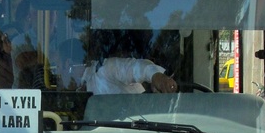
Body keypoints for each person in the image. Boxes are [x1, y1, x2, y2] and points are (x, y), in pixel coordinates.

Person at [49, 36, 178, 94]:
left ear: (68, 64)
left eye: (58, 66)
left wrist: (157, 77)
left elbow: (136, 68)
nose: (57, 73)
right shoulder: (78, 90)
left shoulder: (105, 70)